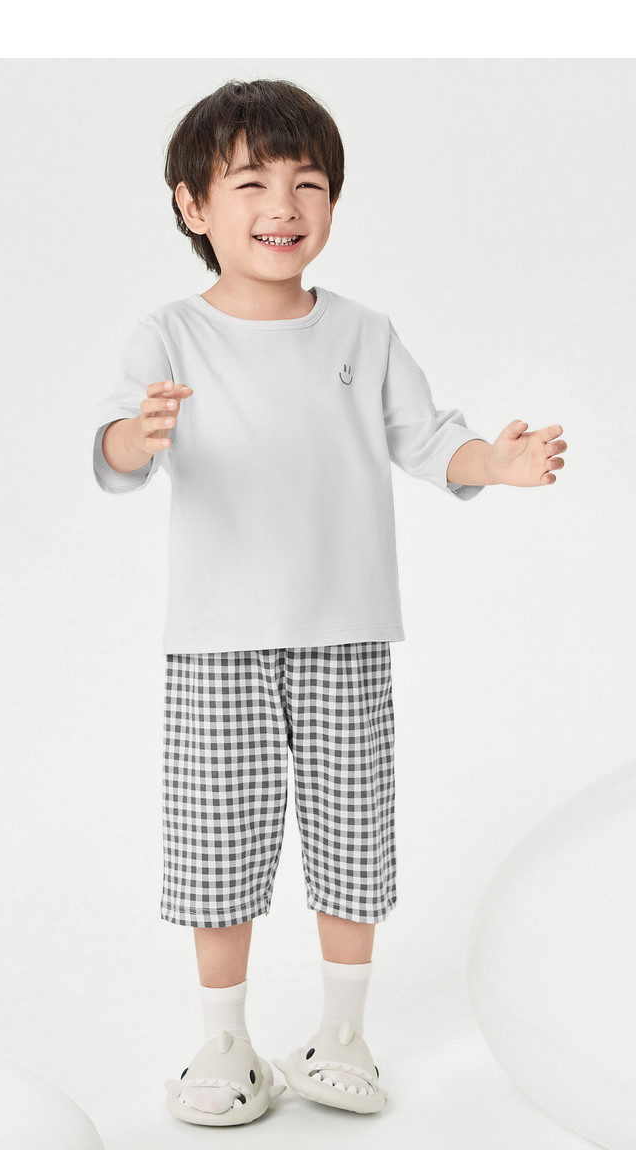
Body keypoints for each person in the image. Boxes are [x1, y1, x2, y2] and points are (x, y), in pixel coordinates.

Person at [92, 78, 567, 1126]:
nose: (284, 205)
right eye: (251, 183)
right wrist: (138, 434)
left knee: (354, 834)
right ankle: (224, 1042)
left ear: (333, 203)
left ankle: (342, 1033)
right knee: (218, 845)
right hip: (216, 642)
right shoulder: (169, 334)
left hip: (346, 631)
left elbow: (429, 439)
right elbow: (119, 448)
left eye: (308, 183)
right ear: (191, 205)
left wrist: (495, 461)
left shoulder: (362, 332)